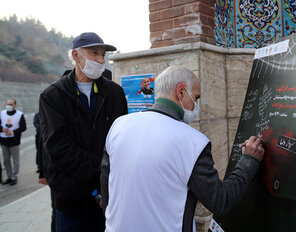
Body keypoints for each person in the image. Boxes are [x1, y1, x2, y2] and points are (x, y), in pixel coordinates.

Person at [101, 65, 265, 231]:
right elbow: (220, 201)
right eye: (196, 97)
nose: (196, 105)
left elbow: (107, 188)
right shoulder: (192, 142)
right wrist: (249, 161)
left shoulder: (119, 125)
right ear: (181, 91)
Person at [39, 32, 128, 232]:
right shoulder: (52, 96)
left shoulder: (115, 93)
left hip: (111, 200)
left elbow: (122, 141)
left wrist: (111, 186)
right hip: (72, 202)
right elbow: (59, 149)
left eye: (103, 55)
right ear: (76, 56)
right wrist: (103, 172)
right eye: (94, 53)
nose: (100, 60)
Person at [0, 99, 27, 186]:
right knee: (6, 160)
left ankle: (14, 177)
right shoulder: (2, 113)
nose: (9, 106)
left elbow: (23, 127)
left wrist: (12, 132)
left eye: (11, 104)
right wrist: (2, 129)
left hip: (14, 141)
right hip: (4, 140)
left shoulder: (19, 115)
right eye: (7, 104)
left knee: (15, 160)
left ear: (15, 105)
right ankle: (9, 176)